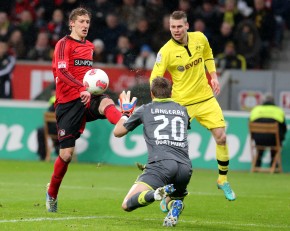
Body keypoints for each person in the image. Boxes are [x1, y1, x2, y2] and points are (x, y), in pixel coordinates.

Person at [45, 7, 136, 213]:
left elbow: (88, 74)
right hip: (68, 103)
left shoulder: (89, 46)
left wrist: (92, 87)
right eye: (81, 22)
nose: (85, 25)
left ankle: (124, 119)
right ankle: (51, 193)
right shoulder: (63, 44)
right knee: (66, 155)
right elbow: (61, 71)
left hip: (88, 96)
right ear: (72, 23)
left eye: (87, 22)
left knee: (105, 103)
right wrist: (82, 88)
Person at [150, 11, 236, 201]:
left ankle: (222, 179)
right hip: (181, 104)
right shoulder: (165, 51)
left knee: (221, 137)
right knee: (174, 149)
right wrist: (156, 103)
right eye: (173, 27)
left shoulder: (200, 38)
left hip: (206, 98)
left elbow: (208, 55)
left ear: (187, 26)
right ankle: (169, 191)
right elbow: (155, 78)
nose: (176, 30)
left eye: (179, 26)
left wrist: (213, 77)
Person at [114, 77, 192, 227]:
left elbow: (118, 132)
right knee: (172, 200)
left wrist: (126, 113)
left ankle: (155, 193)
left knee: (126, 204)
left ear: (151, 93)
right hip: (185, 167)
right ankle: (175, 205)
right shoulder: (182, 110)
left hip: (161, 164)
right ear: (171, 92)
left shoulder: (146, 109)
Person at [249, 94, 287, 167]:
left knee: (261, 140)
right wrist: (281, 139)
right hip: (274, 140)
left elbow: (250, 125)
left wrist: (254, 137)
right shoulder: (279, 111)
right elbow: (283, 128)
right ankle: (274, 163)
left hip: (258, 140)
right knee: (276, 140)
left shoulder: (255, 110)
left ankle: (257, 163)